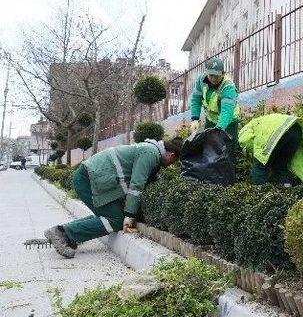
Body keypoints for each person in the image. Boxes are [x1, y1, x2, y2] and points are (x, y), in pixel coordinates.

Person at [44, 138, 183, 258]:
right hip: (88, 180)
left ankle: (66, 234)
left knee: (110, 215)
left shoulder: (151, 151)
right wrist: (129, 215)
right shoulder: (150, 154)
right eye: (174, 161)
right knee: (116, 219)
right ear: (171, 154)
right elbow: (136, 185)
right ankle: (62, 233)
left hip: (92, 178)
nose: (172, 164)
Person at [190, 57, 240, 164]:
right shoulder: (201, 81)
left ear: (223, 73)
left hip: (229, 121)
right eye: (211, 75)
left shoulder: (228, 87)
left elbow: (226, 111)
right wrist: (195, 118)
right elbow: (196, 99)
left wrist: (219, 129)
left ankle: (230, 171)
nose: (213, 78)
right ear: (206, 72)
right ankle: (211, 170)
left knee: (228, 147)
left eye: (216, 76)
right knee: (209, 146)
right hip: (211, 119)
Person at [239, 113, 303, 186]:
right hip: (295, 129)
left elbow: (245, 141)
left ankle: (259, 192)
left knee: (260, 167)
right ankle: (287, 189)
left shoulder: (245, 129)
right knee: (280, 167)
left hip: (278, 133)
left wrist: (256, 155)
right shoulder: (259, 121)